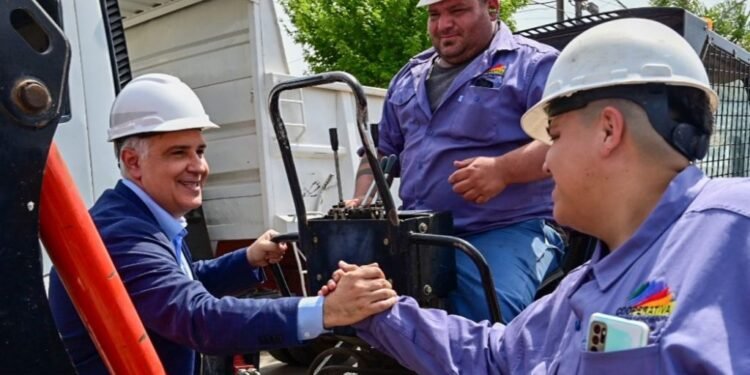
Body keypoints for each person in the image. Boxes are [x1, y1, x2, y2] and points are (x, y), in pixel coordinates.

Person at [322, 18, 750, 373]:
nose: (546, 163)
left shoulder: (734, 230)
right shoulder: (583, 288)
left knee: (482, 290)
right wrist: (378, 313)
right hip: (427, 229)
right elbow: (498, 356)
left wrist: (503, 170)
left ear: (608, 129)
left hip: (505, 230)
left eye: (555, 135)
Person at [47, 74, 397, 374]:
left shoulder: (144, 217)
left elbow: (182, 281)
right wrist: (326, 311)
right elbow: (196, 317)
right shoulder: (122, 233)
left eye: (199, 151)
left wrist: (246, 259)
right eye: (179, 153)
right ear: (132, 161)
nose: (199, 166)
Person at [350, 0, 564, 323]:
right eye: (434, 15)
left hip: (509, 230)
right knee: (362, 303)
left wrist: (503, 171)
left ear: (492, 7)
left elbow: (567, 139)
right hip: (416, 235)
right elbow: (381, 151)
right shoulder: (408, 78)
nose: (443, 24)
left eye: (457, 10)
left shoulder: (535, 66)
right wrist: (363, 200)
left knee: (487, 314)